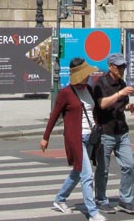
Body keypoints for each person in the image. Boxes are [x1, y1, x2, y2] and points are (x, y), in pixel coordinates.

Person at [41, 57, 107, 221]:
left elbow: (95, 111)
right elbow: (54, 116)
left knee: (78, 172)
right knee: (87, 175)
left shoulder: (89, 90)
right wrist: (45, 137)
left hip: (90, 137)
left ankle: (60, 199)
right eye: (85, 75)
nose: (87, 77)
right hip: (75, 138)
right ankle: (92, 213)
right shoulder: (65, 93)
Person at [92, 52, 134, 215]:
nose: (122, 69)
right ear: (111, 67)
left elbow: (121, 104)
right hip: (105, 131)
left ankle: (126, 199)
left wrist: (129, 107)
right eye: (119, 66)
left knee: (129, 164)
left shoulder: (122, 83)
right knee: (103, 169)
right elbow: (102, 104)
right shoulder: (100, 84)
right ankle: (101, 199)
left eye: (124, 66)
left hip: (122, 130)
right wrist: (121, 93)